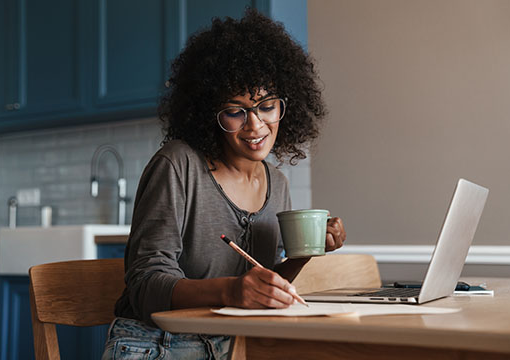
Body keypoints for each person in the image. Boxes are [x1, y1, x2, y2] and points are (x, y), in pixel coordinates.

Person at [102, 8, 346, 360]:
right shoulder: (178, 165)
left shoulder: (277, 183)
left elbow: (257, 285)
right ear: (208, 113)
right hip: (157, 345)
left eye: (267, 106)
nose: (255, 125)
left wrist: (303, 253)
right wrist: (231, 292)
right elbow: (144, 286)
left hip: (231, 346)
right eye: (236, 111)